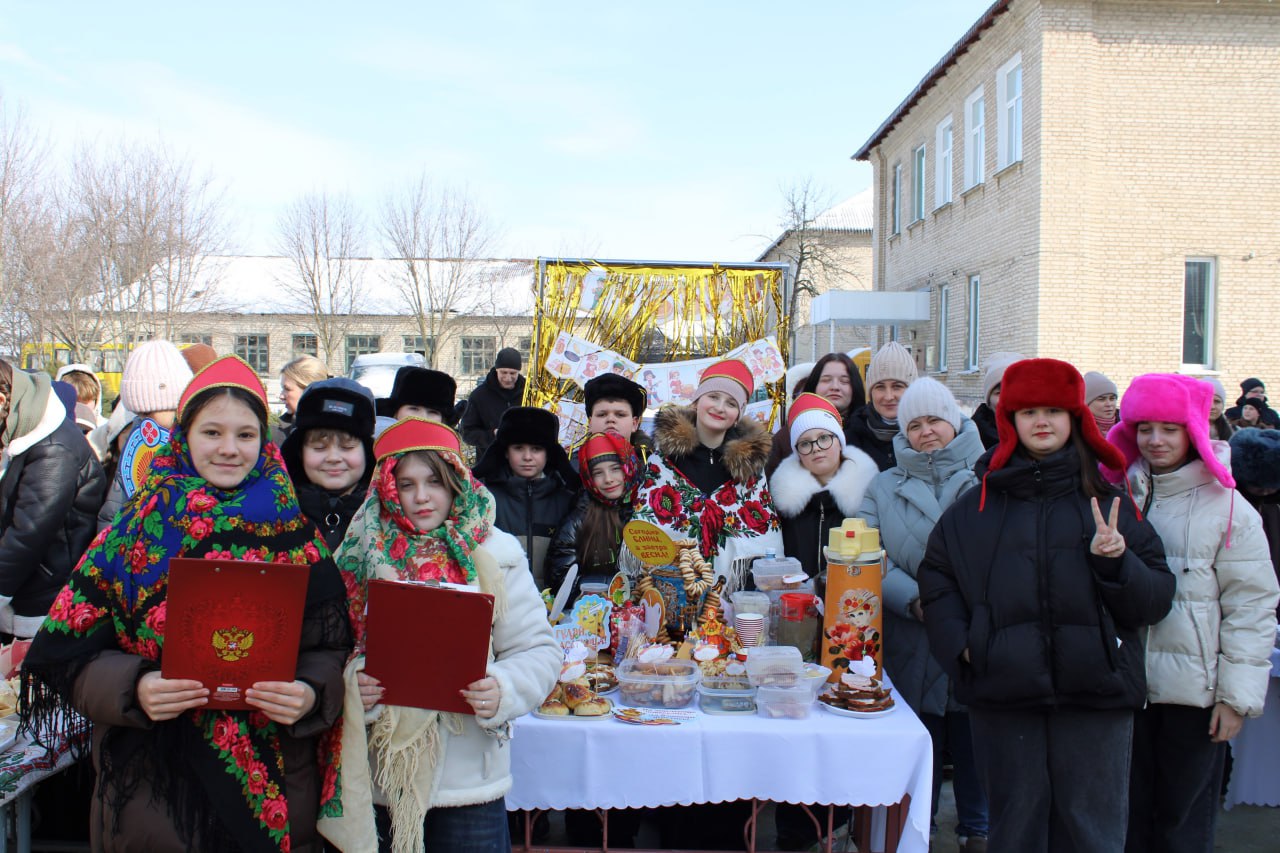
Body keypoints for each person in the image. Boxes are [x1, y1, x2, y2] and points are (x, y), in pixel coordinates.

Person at [21, 355, 352, 851]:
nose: (229, 449)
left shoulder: (296, 538)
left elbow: (330, 649)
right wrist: (135, 687)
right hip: (155, 789)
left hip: (272, 785)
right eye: (211, 432)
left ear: (264, 442)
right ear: (185, 436)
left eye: (245, 435)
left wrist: (308, 693)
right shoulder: (131, 535)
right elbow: (66, 654)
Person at [917, 358, 1175, 853]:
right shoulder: (974, 510)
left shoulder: (1110, 504)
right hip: (1004, 697)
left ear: (1073, 419)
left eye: (1054, 410)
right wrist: (969, 648)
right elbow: (938, 581)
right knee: (1016, 833)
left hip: (1097, 697)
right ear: (1009, 420)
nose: (1042, 421)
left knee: (1092, 834)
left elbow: (1156, 599)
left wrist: (1117, 564)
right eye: (1029, 410)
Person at [318, 417, 560, 853]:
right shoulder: (359, 556)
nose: (422, 497)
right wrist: (355, 685)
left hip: (469, 782)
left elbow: (537, 650)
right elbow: (329, 651)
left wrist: (503, 688)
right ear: (388, 490)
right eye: (406, 485)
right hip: (382, 778)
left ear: (456, 482)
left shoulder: (496, 554)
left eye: (434, 481)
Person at [1100, 374, 1280, 853]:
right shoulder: (1119, 496)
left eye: (1170, 428)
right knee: (1127, 822)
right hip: (1127, 689)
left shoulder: (1229, 509)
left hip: (1195, 698)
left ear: (1194, 431)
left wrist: (1236, 698)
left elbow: (1252, 606)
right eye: (1145, 427)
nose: (1155, 440)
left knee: (1182, 827)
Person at [858, 378, 989, 852]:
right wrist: (918, 601)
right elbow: (870, 555)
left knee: (975, 732)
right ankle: (919, 827)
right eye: (914, 425)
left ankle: (979, 827)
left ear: (953, 422)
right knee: (922, 733)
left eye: (934, 420)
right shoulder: (884, 485)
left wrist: (962, 608)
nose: (926, 432)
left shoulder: (988, 477)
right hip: (913, 630)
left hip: (978, 629)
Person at [633, 358, 781, 591]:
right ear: (696, 401)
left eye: (731, 403)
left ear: (739, 413)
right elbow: (644, 532)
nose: (720, 407)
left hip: (730, 599)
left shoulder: (750, 468)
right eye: (713, 397)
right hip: (670, 592)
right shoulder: (663, 460)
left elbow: (765, 540)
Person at [0, 361, 106, 639]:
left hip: (43, 594)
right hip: (27, 586)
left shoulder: (54, 446)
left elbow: (28, 534)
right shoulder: (24, 431)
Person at [770, 393, 877, 578]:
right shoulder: (784, 505)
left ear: (840, 441)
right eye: (805, 443)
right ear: (798, 453)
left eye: (824, 438)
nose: (817, 448)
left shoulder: (868, 496)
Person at [472, 407, 577, 590]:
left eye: (536, 449)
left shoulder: (567, 501)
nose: (527, 457)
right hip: (500, 604)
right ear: (505, 451)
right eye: (518, 448)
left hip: (553, 609)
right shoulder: (485, 499)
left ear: (548, 453)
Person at [97, 341, 195, 528]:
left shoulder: (199, 445)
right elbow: (113, 511)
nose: (149, 430)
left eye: (163, 411)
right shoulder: (134, 441)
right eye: (142, 415)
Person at [549, 432, 648, 599]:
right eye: (598, 473)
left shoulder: (648, 510)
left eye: (615, 469)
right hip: (594, 615)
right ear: (589, 478)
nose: (608, 479)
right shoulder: (580, 519)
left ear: (629, 466)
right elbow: (561, 578)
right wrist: (616, 587)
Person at [281, 378, 377, 551]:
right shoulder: (277, 511)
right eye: (319, 447)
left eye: (347, 447)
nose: (333, 458)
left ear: (367, 453)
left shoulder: (387, 515)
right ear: (299, 453)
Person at [765, 352, 867, 477]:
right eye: (826, 380)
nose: (835, 387)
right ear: (814, 385)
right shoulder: (786, 437)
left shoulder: (868, 432)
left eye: (844, 381)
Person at [1230, 427, 1280, 612]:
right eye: (1258, 488)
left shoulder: (1274, 508)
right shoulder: (1234, 505)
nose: (1266, 492)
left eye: (1272, 488)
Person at [848, 341, 917, 471]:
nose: (889, 396)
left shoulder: (927, 436)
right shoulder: (850, 441)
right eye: (880, 387)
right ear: (870, 392)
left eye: (897, 386)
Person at [578, 372, 652, 466]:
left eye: (620, 415)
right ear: (590, 423)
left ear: (634, 424)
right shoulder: (569, 468)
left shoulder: (654, 468)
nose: (610, 419)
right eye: (602, 414)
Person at [460, 347, 525, 453]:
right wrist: (493, 435)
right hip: (490, 463)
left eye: (512, 373)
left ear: (518, 372)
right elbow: (467, 433)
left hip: (523, 462)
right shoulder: (479, 395)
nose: (508, 378)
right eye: (503, 372)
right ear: (496, 370)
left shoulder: (529, 393)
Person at [970, 352, 1024, 450]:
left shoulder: (1044, 430)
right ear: (989, 400)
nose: (1007, 399)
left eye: (1015, 391)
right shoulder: (972, 438)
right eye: (999, 393)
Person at [276, 355, 330, 444]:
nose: (281, 396)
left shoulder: (341, 430)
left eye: (287, 389)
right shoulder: (276, 433)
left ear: (309, 391)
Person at [377, 366, 457, 424]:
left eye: (433, 412)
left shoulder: (450, 446)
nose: (422, 417)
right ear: (396, 411)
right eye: (414, 409)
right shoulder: (376, 443)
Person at [1083, 370, 1119, 435]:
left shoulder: (1129, 427)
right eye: (1101, 399)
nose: (1109, 404)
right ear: (1087, 403)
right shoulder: (1076, 430)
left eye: (1112, 398)